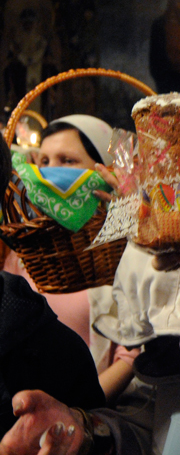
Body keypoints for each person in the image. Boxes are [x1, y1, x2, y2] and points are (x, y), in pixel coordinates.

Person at [4, 114, 139, 404]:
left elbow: (130, 356)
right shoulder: (26, 247)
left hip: (90, 413)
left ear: (103, 169)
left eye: (67, 161)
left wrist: (75, 411)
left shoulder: (125, 250)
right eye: (43, 162)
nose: (51, 174)